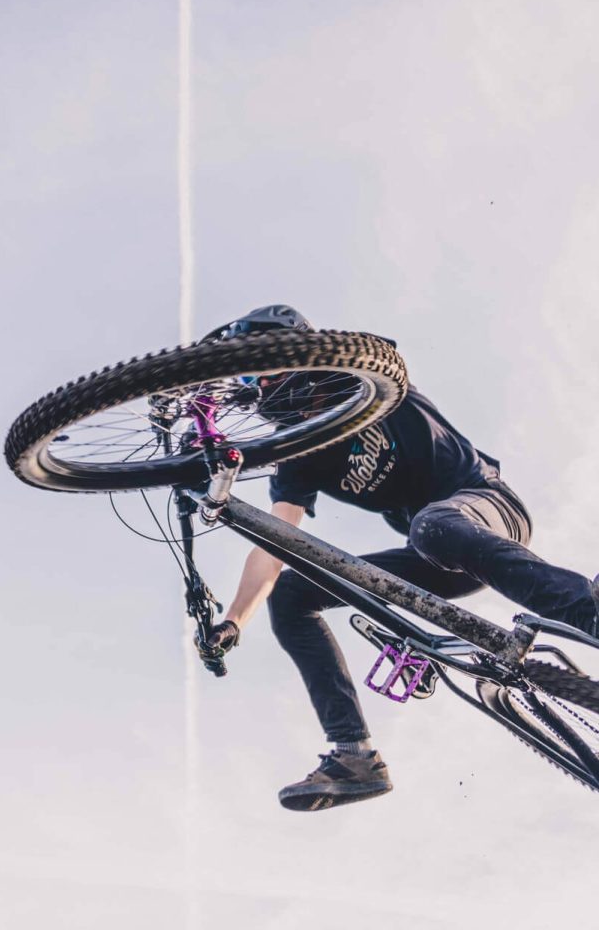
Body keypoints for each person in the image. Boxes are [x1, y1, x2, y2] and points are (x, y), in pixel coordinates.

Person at [196, 305, 599, 812]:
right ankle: (354, 756)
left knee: (433, 524)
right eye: (250, 377)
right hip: (434, 556)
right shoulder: (300, 455)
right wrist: (235, 619)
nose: (260, 382)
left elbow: (375, 352)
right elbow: (273, 544)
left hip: (486, 509)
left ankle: (590, 612)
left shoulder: (364, 379)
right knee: (294, 597)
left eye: (265, 365)